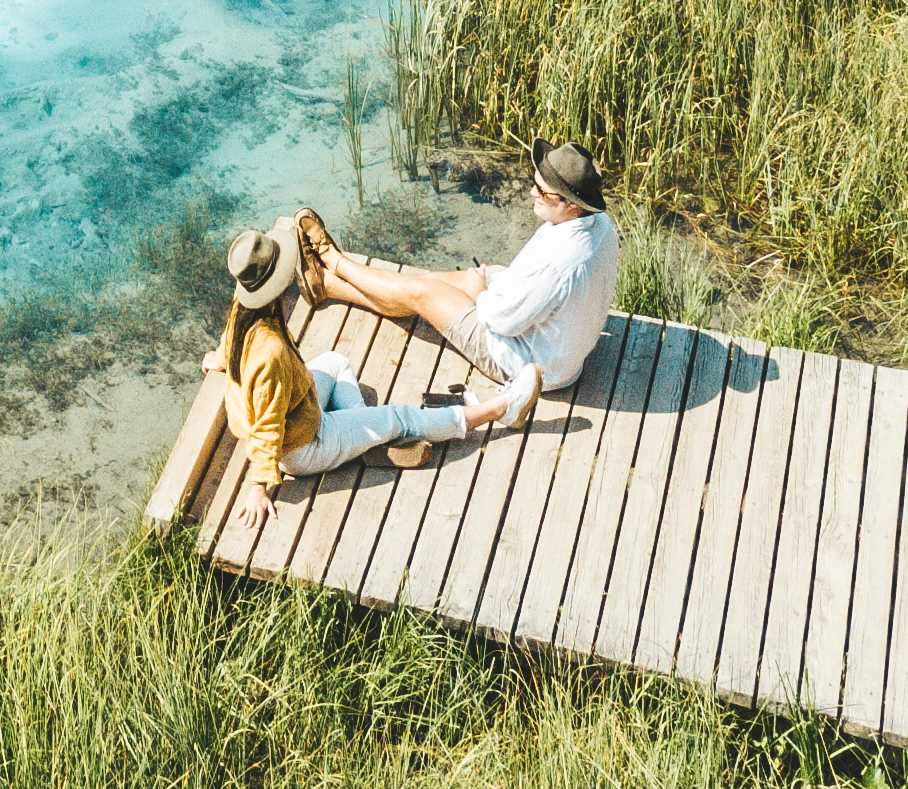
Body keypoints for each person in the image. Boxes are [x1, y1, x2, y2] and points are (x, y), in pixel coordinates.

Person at [208, 220, 537, 531]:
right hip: (303, 445)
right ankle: (500, 409)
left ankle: (366, 443)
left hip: (301, 409)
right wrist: (258, 488)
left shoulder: (244, 307)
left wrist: (220, 360)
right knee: (399, 417)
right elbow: (268, 423)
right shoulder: (270, 353)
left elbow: (231, 346)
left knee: (336, 362)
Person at [310, 140, 619, 401]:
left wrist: (478, 293)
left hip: (531, 365)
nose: (531, 193)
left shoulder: (560, 263)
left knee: (423, 292)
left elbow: (501, 321)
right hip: (555, 345)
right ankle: (329, 285)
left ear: (572, 205)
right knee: (431, 281)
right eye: (534, 181)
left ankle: (335, 261)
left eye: (542, 190)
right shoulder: (599, 225)